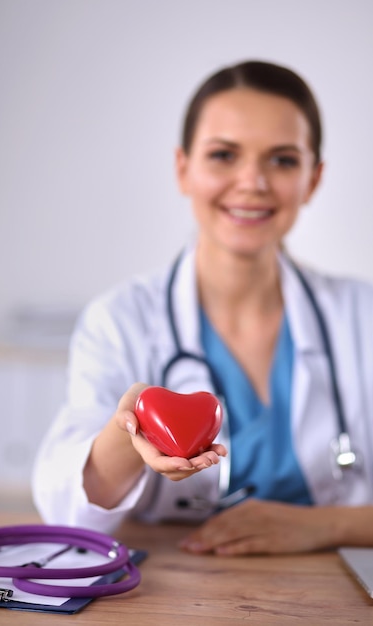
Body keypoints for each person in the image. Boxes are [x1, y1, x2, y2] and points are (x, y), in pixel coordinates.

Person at [32, 60, 373, 556]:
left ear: (313, 180)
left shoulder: (362, 316)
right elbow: (69, 509)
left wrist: (325, 526)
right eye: (223, 155)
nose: (252, 181)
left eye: (282, 160)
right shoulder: (121, 320)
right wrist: (130, 432)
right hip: (169, 592)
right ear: (183, 168)